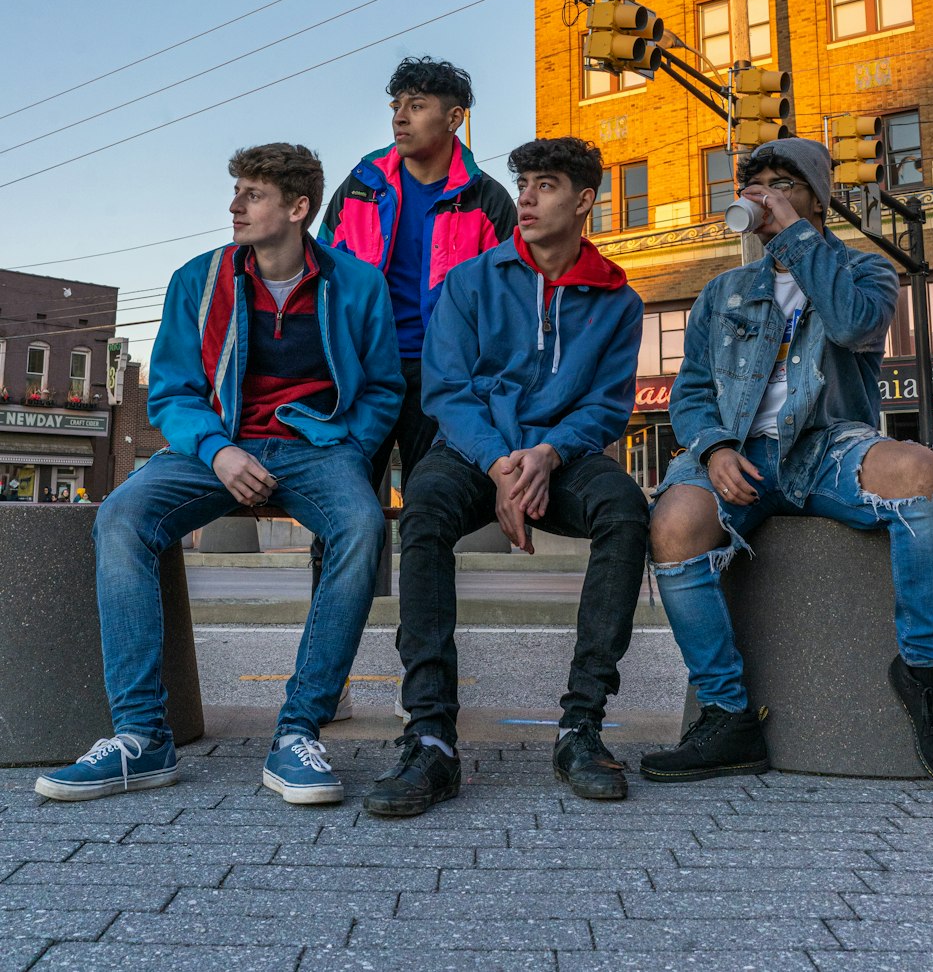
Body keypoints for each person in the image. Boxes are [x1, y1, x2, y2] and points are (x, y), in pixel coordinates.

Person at [36, 143, 403, 806]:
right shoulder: (197, 280)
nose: (235, 206)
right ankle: (142, 739)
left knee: (361, 525)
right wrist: (218, 451)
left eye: (253, 194)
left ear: (297, 208)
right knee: (122, 515)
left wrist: (349, 448)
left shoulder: (357, 285)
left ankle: (298, 733)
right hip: (218, 446)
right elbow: (173, 391)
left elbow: (382, 387)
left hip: (318, 448)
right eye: (236, 191)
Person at [640, 137, 933, 794]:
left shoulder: (865, 274)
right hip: (738, 455)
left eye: (780, 182)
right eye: (753, 182)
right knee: (674, 526)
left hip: (827, 448)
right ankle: (728, 714)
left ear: (816, 196)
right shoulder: (724, 291)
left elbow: (852, 328)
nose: (761, 194)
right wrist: (713, 448)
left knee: (922, 473)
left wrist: (794, 234)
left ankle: (926, 676)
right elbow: (693, 390)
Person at [363, 137, 649, 818]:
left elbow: (608, 404)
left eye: (545, 185)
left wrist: (547, 455)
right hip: (472, 452)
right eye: (523, 183)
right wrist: (500, 463)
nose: (524, 197)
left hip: (562, 456)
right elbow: (447, 390)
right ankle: (430, 736)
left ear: (583, 202)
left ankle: (581, 726)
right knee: (425, 508)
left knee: (625, 510)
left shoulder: (617, 299)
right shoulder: (470, 281)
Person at [310, 56, 515, 588]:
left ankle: (422, 651)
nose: (400, 117)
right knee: (338, 510)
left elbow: (510, 306)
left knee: (430, 514)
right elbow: (321, 277)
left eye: (417, 105)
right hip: (363, 375)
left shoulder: (488, 201)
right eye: (396, 105)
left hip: (444, 381)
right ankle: (327, 644)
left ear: (454, 119)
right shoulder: (360, 186)